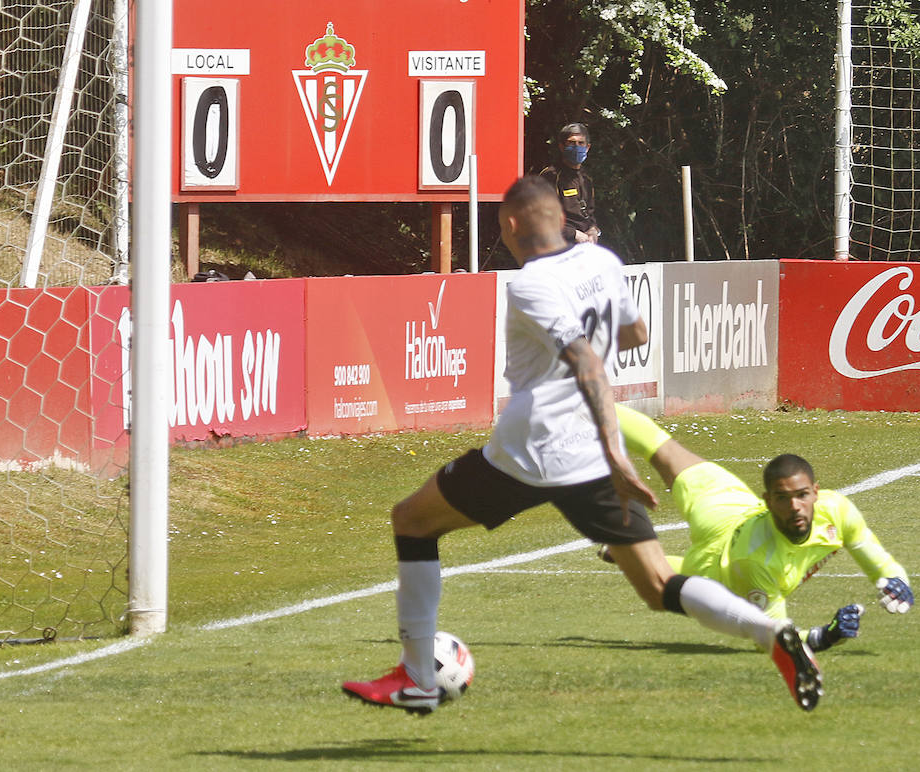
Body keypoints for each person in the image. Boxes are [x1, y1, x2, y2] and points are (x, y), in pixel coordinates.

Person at [342, 176, 823, 715]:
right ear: (559, 216)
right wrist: (605, 440)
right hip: (588, 452)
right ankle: (771, 632)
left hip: (534, 448)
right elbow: (636, 335)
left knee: (412, 520)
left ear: (513, 223)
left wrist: (618, 452)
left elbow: (586, 360)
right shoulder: (603, 261)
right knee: (659, 583)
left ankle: (417, 678)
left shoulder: (529, 284)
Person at [604, 405, 914, 653]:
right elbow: (773, 637)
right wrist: (825, 636)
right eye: (783, 498)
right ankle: (581, 405)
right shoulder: (757, 563)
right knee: (664, 452)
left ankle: (622, 551)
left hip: (733, 513)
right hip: (720, 553)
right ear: (767, 500)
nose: (795, 507)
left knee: (667, 453)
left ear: (816, 492)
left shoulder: (838, 510)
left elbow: (879, 562)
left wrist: (897, 580)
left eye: (802, 495)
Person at [537, 123, 601, 245]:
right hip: (558, 245)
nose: (577, 147)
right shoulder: (550, 176)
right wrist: (574, 234)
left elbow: (589, 213)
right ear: (561, 146)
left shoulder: (586, 178)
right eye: (571, 143)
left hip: (585, 245)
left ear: (588, 147)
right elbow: (541, 218)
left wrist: (593, 230)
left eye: (581, 143)